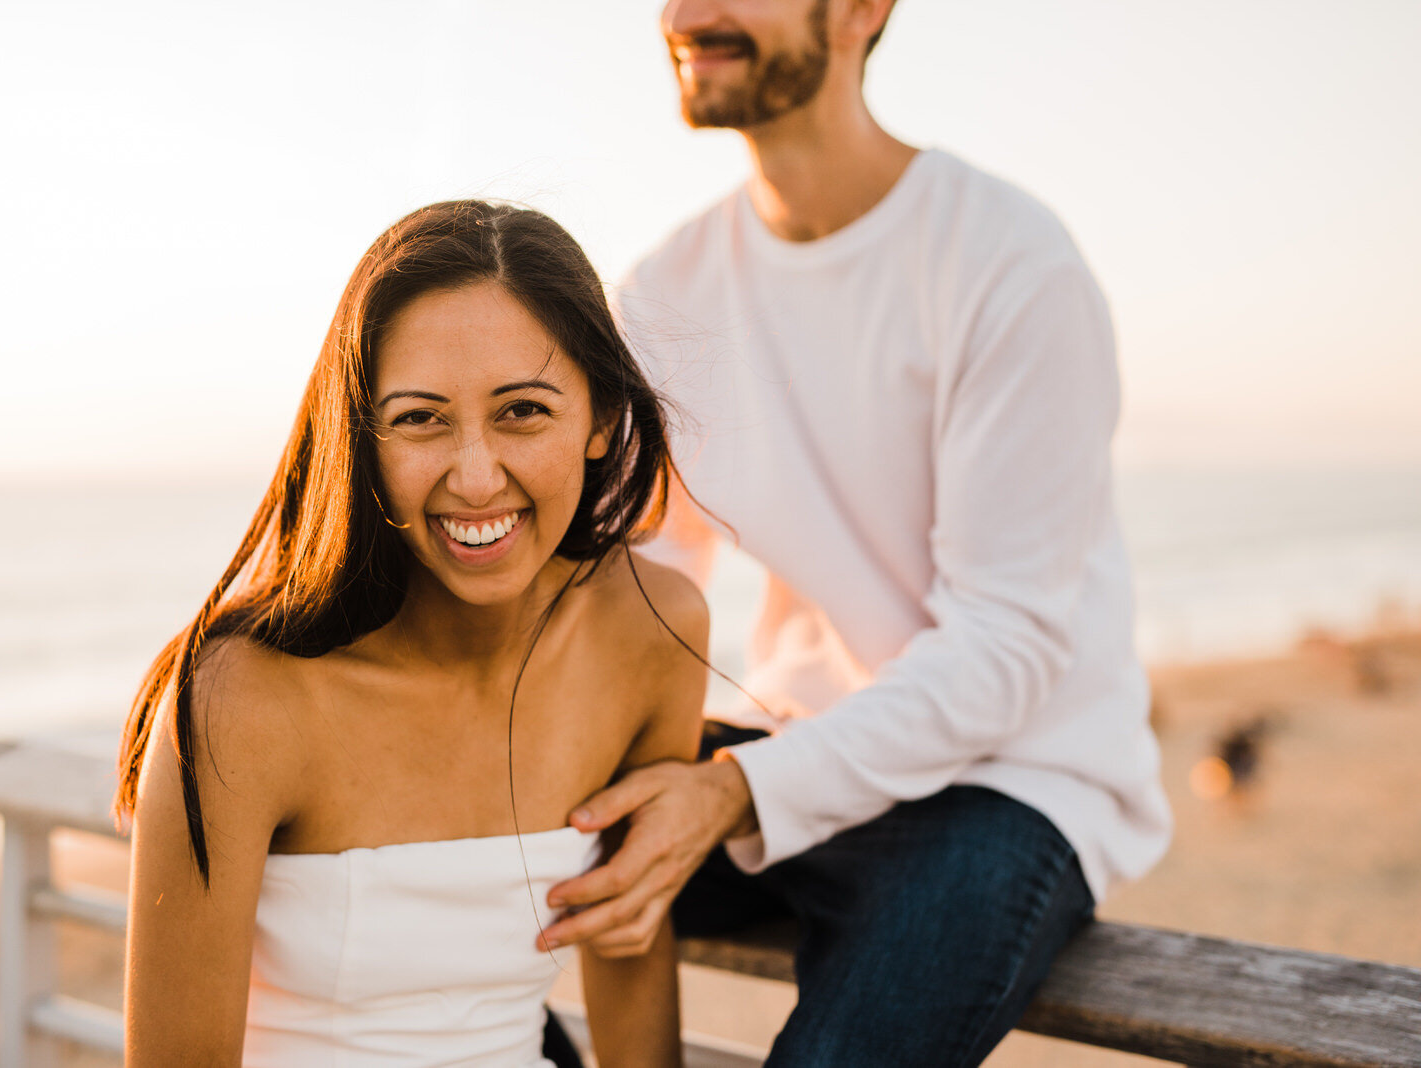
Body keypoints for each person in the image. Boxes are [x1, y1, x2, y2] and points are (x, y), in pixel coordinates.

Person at [537, 1, 1173, 1063]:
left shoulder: (1008, 263)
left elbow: (1003, 652)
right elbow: (629, 580)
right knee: (434, 877)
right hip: (793, 744)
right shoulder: (665, 292)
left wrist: (732, 790)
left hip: (1008, 782)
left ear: (864, 10)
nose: (687, 14)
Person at [115, 200, 706, 1067]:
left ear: (603, 420)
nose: (475, 477)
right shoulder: (242, 696)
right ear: (363, 441)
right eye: (421, 419)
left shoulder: (654, 632)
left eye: (522, 412)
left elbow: (629, 943)